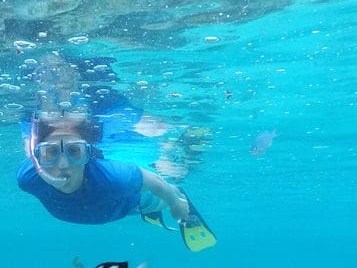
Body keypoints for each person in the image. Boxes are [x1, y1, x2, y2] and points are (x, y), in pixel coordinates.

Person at [16, 61, 216, 252]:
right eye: (50, 152)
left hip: (132, 203)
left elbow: (159, 185)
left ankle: (179, 162)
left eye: (74, 151)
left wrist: (175, 201)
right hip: (114, 207)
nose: (62, 163)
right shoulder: (27, 177)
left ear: (88, 154)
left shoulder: (115, 177)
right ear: (38, 157)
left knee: (169, 178)